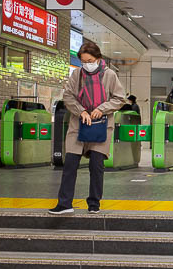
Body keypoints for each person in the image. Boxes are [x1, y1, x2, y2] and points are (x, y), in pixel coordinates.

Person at [49, 41, 126, 215]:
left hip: (101, 125)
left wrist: (101, 109)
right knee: (70, 163)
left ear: (98, 59)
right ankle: (64, 203)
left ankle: (94, 203)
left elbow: (119, 98)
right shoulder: (77, 74)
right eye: (83, 62)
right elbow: (68, 96)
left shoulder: (110, 75)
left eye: (90, 61)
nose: (87, 65)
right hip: (79, 124)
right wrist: (81, 110)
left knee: (96, 164)